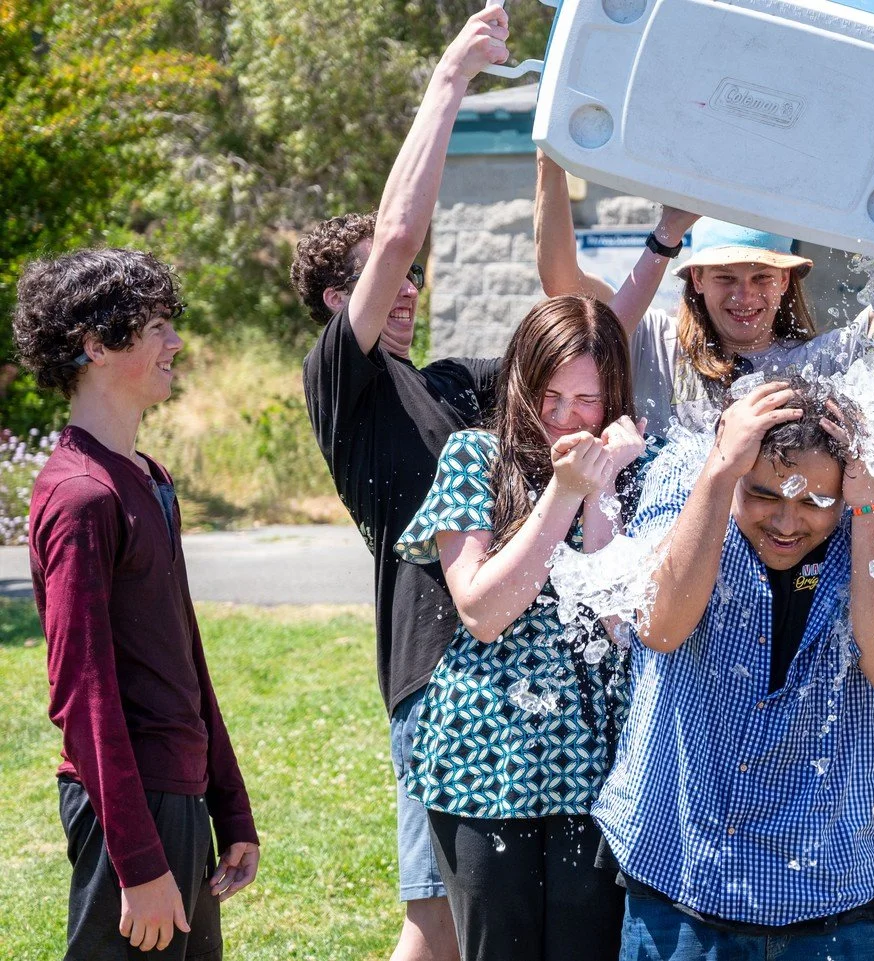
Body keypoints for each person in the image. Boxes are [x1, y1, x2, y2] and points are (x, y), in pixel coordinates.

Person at [294, 11, 510, 961]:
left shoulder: (450, 384)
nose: (410, 283)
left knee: (475, 911)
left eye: (418, 276)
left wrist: (661, 240)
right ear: (337, 301)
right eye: (388, 278)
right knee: (435, 920)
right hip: (430, 668)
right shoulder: (344, 382)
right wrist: (449, 81)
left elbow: (579, 345)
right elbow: (396, 231)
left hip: (501, 652)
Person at [592, 376, 874, 960]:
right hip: (683, 872)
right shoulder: (689, 474)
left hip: (830, 880)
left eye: (814, 503)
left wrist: (867, 504)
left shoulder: (869, 505)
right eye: (765, 496)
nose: (788, 524)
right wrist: (720, 474)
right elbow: (660, 628)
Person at [15, 248, 260, 958]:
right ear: (95, 345)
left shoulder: (148, 477)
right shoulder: (81, 496)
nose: (175, 342)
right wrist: (139, 862)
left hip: (177, 796)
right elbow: (81, 694)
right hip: (128, 807)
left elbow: (186, 654)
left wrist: (229, 807)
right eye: (155, 327)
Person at [394, 295, 651, 961]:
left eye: (587, 400)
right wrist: (563, 492)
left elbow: (619, 625)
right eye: (550, 395)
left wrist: (601, 490)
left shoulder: (639, 468)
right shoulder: (474, 456)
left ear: (615, 397)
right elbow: (481, 611)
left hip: (596, 762)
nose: (564, 417)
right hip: (484, 757)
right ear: (519, 380)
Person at [534, 153, 872, 430]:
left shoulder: (820, 359)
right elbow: (562, 285)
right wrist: (551, 163)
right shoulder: (654, 343)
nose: (744, 296)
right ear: (697, 279)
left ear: (784, 281)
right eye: (725, 278)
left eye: (762, 278)